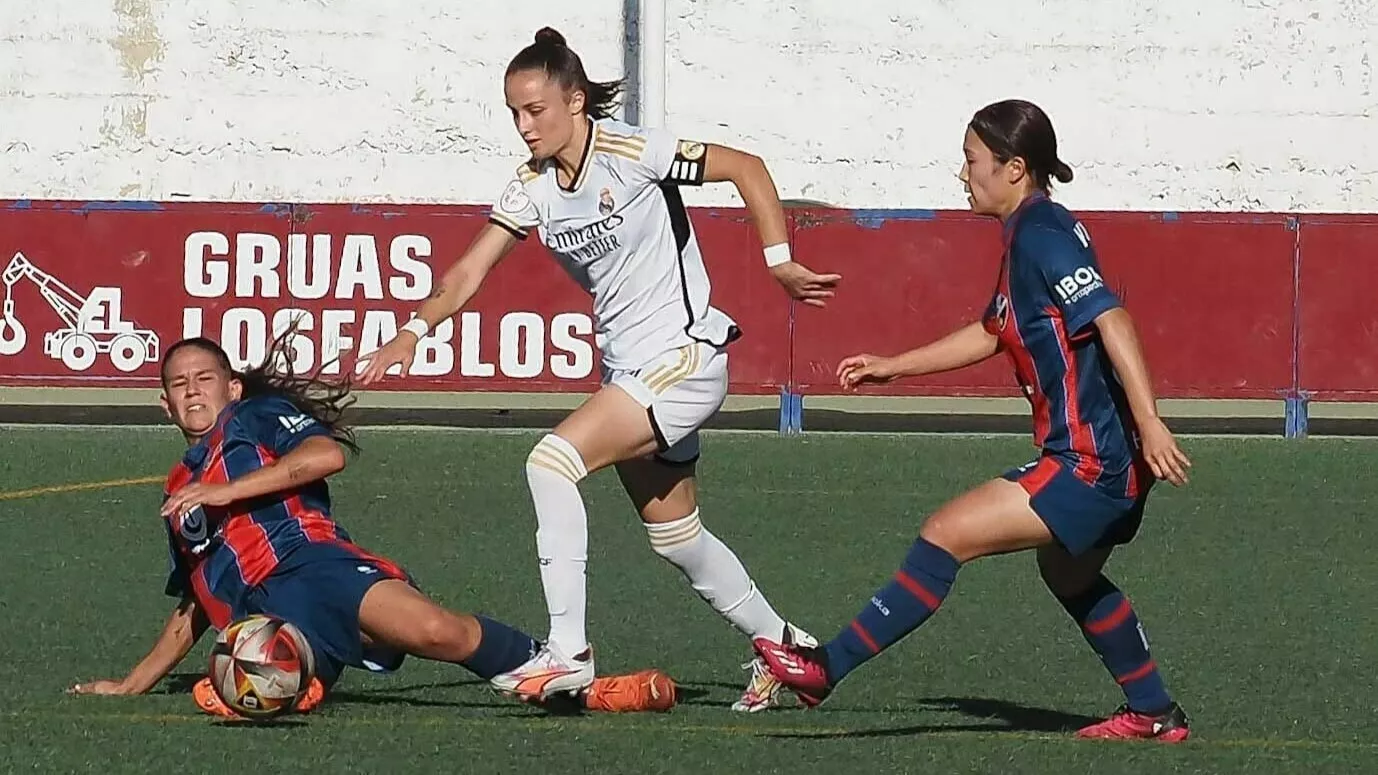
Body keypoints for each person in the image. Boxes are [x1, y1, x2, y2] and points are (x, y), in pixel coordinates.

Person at [356, 27, 840, 711]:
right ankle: (789, 650)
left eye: (536, 110)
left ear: (575, 101)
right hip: (633, 371)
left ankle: (567, 652)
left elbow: (747, 167)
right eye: (514, 113)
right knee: (677, 535)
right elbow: (469, 269)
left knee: (549, 462)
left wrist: (777, 260)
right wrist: (412, 331)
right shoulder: (532, 187)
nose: (524, 127)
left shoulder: (633, 151)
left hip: (684, 357)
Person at [752, 99, 1194, 742]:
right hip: (1106, 454)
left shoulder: (1041, 234)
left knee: (943, 534)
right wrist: (894, 366)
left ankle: (826, 669)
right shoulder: (1034, 230)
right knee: (1068, 574)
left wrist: (1152, 423)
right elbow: (995, 331)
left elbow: (1112, 317)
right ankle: (1154, 711)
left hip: (1092, 461)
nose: (963, 174)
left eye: (971, 160)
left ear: (1014, 168)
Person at [69, 331, 676, 717]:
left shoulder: (255, 418)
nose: (192, 391)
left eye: (204, 379)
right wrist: (132, 684)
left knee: (440, 633)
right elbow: (193, 607)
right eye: (178, 384)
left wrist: (223, 489)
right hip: (261, 610)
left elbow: (324, 457)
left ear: (231, 387)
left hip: (312, 567)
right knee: (257, 657)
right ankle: (289, 684)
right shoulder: (179, 491)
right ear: (164, 404)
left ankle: (576, 683)